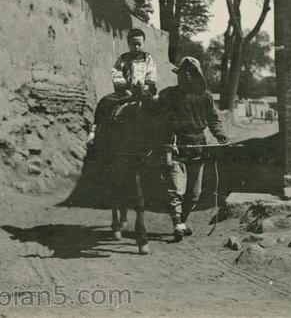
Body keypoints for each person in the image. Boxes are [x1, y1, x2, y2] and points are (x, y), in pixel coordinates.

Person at [158, 57, 229, 242]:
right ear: (179, 75)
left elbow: (213, 119)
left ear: (198, 76)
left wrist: (220, 134)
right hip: (176, 146)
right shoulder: (168, 95)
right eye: (184, 72)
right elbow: (159, 118)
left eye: (192, 73)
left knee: (194, 195)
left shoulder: (205, 96)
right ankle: (177, 224)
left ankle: (181, 222)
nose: (188, 76)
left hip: (198, 147)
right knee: (176, 190)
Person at [88, 28, 157, 144]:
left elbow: (151, 73)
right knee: (105, 102)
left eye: (139, 44)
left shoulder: (148, 58)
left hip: (144, 92)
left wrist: (147, 86)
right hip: (125, 92)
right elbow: (117, 73)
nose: (136, 47)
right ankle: (94, 131)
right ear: (128, 44)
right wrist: (124, 89)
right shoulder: (123, 58)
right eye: (133, 44)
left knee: (159, 106)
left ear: (143, 43)